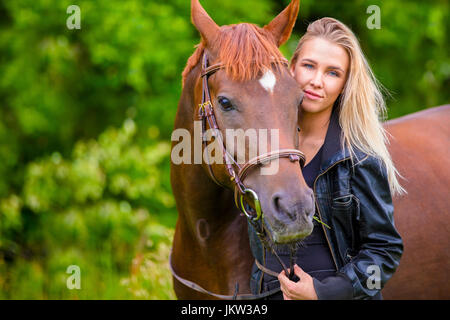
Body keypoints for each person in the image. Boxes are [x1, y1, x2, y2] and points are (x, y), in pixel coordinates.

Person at [248, 17, 404, 300]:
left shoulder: (357, 157)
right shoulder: (262, 148)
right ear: (291, 67)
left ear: (345, 84)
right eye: (309, 66)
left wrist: (324, 293)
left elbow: (385, 250)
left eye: (333, 73)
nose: (316, 81)